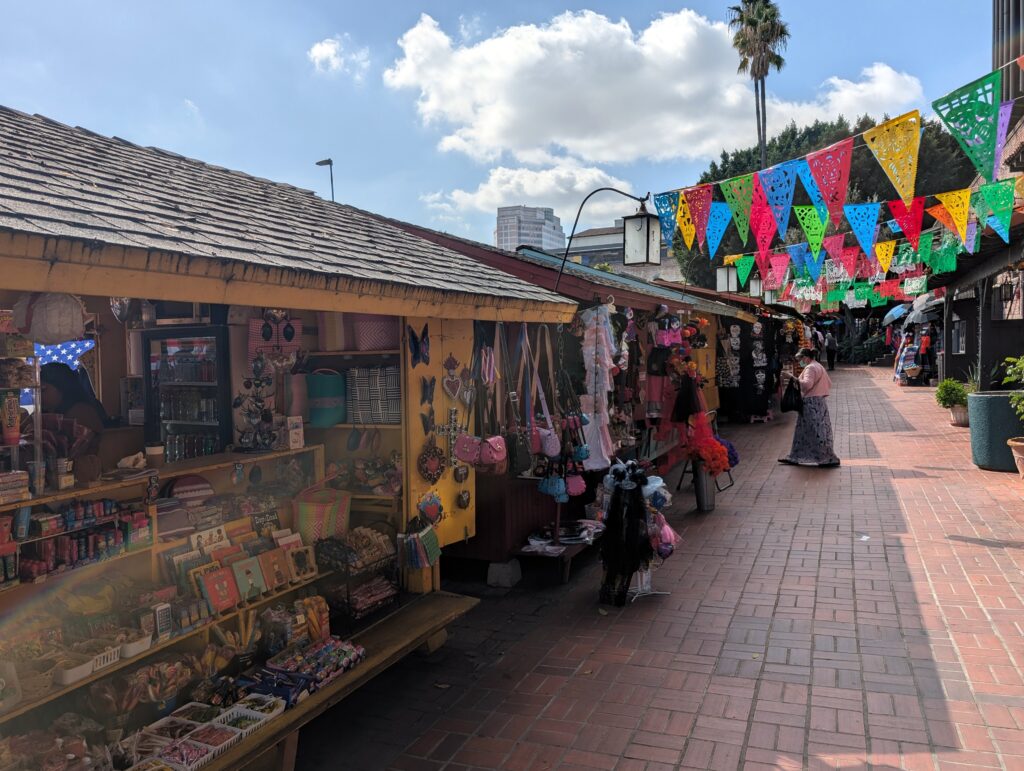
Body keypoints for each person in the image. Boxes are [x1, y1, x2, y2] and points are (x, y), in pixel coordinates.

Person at [779, 348, 840, 468]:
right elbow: (828, 383)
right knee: (816, 429)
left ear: (806, 357)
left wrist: (791, 377)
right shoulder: (819, 366)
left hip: (811, 403)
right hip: (819, 402)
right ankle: (799, 456)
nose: (800, 361)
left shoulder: (810, 368)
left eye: (800, 358)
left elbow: (807, 385)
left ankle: (822, 457)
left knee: (812, 430)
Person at [39, 362, 111, 441]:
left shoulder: (81, 411)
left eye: (42, 390)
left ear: (61, 386)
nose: (38, 396)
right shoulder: (49, 412)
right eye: (35, 392)